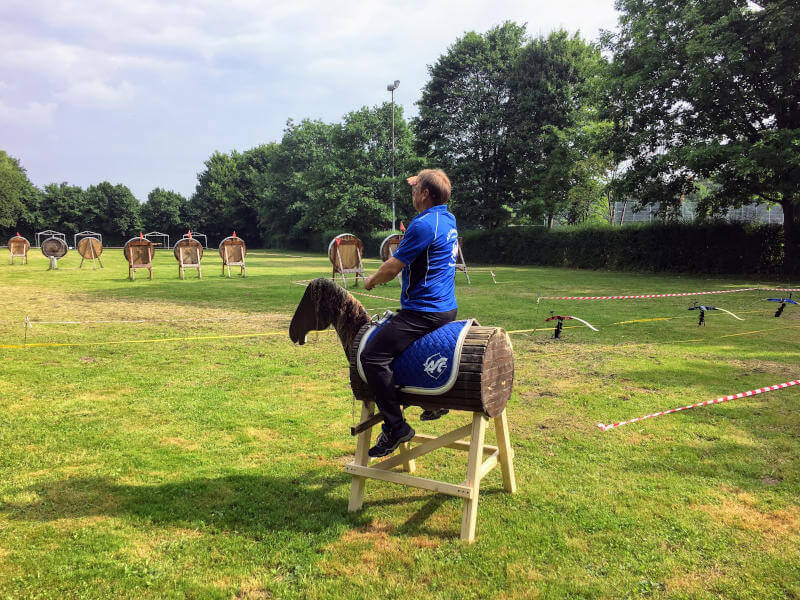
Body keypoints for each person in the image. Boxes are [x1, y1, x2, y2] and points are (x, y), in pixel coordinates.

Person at [361, 168, 459, 457]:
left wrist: (371, 280)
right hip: (447, 308)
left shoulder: (423, 224)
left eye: (415, 189)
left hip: (423, 312)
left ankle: (396, 427)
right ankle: (433, 399)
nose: (412, 194)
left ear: (425, 194)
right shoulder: (448, 219)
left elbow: (393, 267)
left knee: (373, 356)